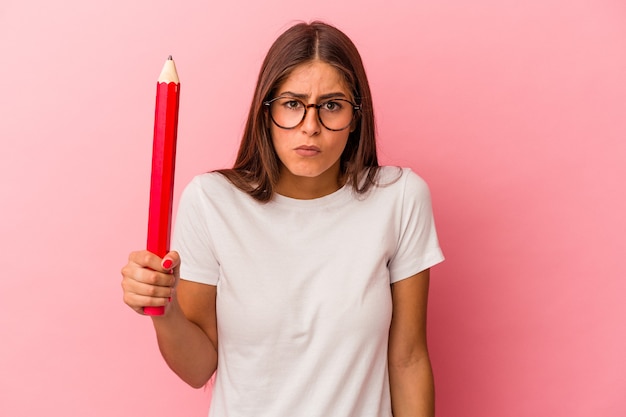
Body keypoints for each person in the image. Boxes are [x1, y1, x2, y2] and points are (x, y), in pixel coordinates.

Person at [121, 20, 444, 417]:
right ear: (266, 111)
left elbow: (408, 359)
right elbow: (197, 367)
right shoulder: (211, 201)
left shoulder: (400, 198)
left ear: (356, 115)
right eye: (292, 104)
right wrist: (164, 309)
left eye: (331, 105)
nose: (311, 127)